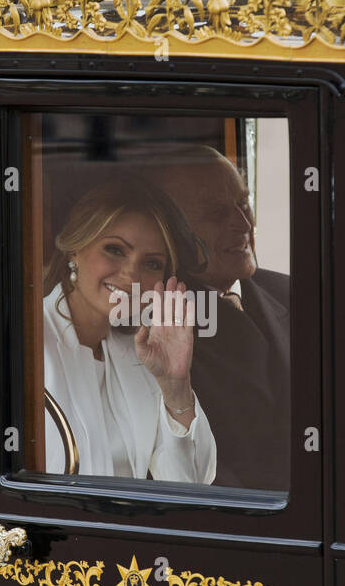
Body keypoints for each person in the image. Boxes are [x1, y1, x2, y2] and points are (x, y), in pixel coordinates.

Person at [42, 182, 217, 484]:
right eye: (115, 250)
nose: (132, 275)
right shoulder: (27, 343)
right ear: (74, 249)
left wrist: (175, 385)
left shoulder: (139, 353)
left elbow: (192, 483)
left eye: (151, 263)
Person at [152, 146, 290, 490]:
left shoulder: (294, 292)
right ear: (172, 231)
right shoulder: (156, 327)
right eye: (216, 214)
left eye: (244, 204)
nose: (244, 224)